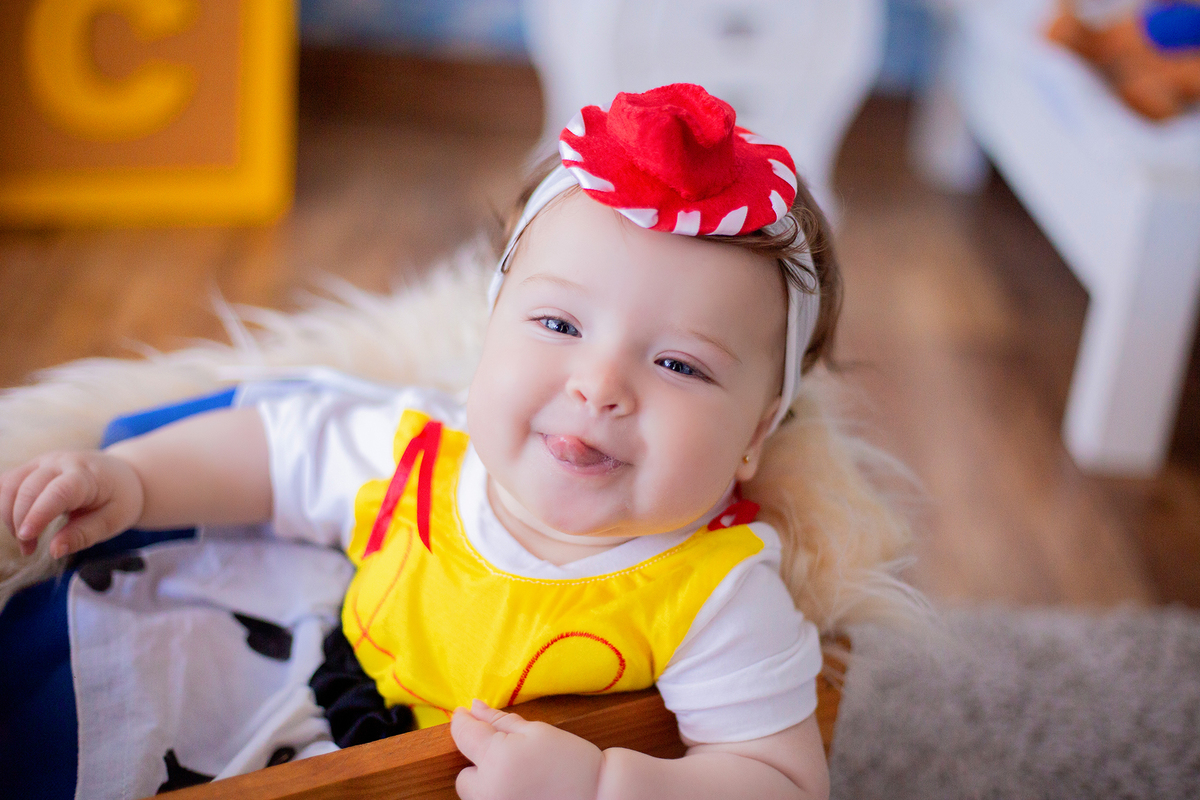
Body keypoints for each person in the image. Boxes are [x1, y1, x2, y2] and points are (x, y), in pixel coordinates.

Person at [1, 84, 870, 800]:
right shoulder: (423, 451)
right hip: (321, 687)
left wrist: (604, 783)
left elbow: (780, 780)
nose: (598, 385)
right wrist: (135, 481)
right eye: (559, 322)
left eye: (679, 364)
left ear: (756, 435)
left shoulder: (714, 593)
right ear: (490, 333)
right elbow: (272, 452)